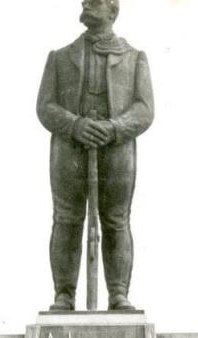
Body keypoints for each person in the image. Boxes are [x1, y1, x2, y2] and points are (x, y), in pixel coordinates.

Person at [36, 0, 155, 311]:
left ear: (113, 11)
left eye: (96, 1)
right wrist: (75, 125)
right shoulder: (60, 58)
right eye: (85, 1)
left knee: (116, 220)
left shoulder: (134, 58)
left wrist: (114, 128)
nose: (87, 4)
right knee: (66, 219)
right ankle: (64, 294)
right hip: (69, 148)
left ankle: (118, 294)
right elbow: (45, 106)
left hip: (116, 149)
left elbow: (144, 110)